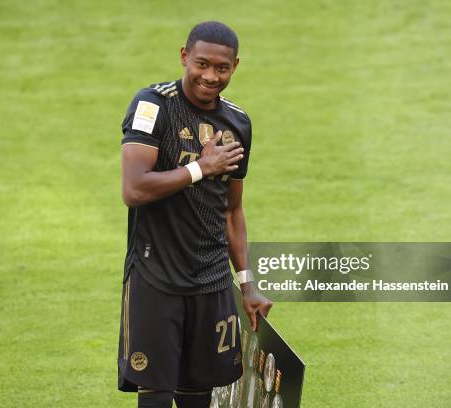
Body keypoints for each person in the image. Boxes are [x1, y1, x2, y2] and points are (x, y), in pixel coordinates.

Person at [118, 21, 272, 408]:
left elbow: (233, 210)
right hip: (157, 278)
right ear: (185, 57)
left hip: (211, 281)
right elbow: (134, 189)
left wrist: (247, 284)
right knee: (154, 395)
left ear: (235, 65)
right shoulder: (153, 105)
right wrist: (201, 169)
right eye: (202, 64)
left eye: (222, 68)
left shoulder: (238, 123)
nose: (210, 76)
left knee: (197, 398)